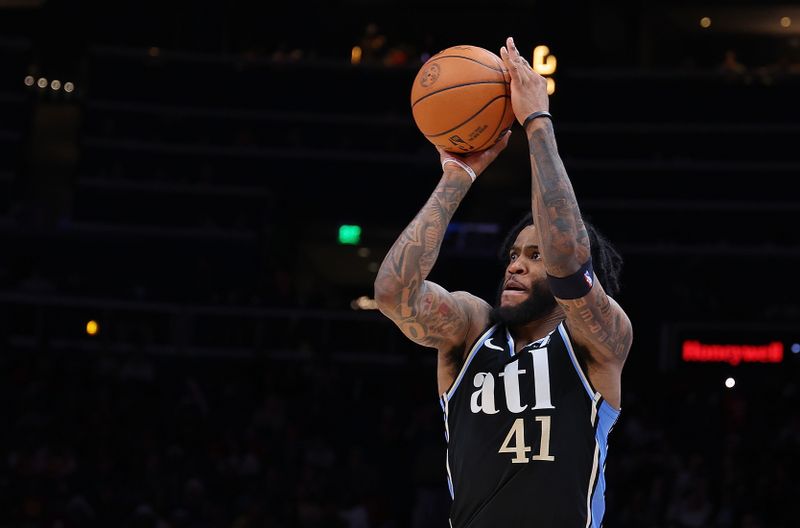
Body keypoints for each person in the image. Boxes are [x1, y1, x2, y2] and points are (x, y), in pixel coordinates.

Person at [374, 36, 632, 527]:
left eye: (533, 256)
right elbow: (393, 294)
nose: (515, 265)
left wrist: (537, 122)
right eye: (513, 254)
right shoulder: (472, 329)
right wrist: (456, 176)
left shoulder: (599, 342)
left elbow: (569, 267)